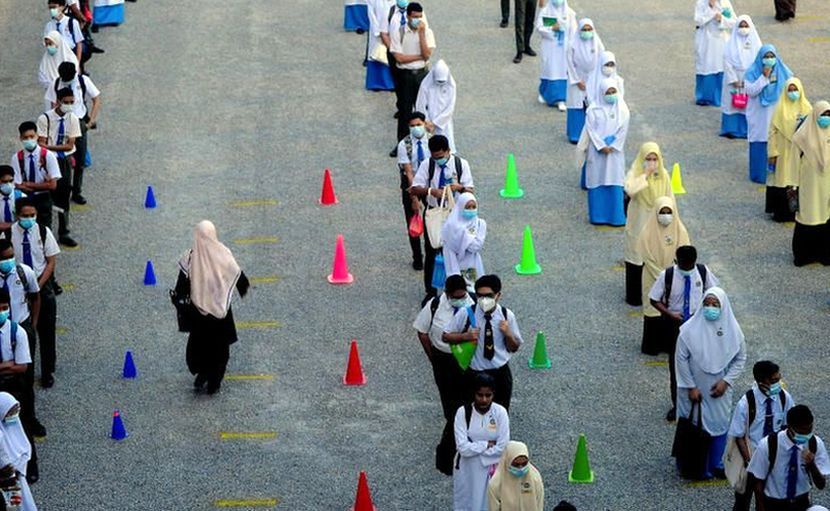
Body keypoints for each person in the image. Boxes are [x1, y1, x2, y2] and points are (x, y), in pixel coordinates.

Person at [675, 287, 748, 480]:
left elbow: (740, 359)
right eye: (707, 304)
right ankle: (690, 465)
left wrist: (726, 381)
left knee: (718, 426)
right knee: (692, 427)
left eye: (715, 305)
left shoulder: (733, 331)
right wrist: (690, 386)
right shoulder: (689, 330)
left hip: (719, 391)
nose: (710, 308)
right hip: (693, 389)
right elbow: (681, 359)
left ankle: (714, 463)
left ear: (723, 307)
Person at [176, 221, 250, 395]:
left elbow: (181, 286)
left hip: (198, 313)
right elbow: (238, 276)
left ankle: (202, 374)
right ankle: (214, 382)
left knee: (199, 346)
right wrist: (242, 289)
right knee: (220, 348)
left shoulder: (190, 257)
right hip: (220, 314)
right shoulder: (222, 254)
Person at [413, 274, 474, 476]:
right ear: (447, 294)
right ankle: (448, 453)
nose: (460, 298)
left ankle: (460, 446)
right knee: (451, 409)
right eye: (456, 296)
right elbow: (422, 331)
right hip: (444, 362)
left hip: (467, 361)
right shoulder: (435, 305)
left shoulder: (472, 302)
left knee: (468, 403)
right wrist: (433, 357)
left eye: (462, 295)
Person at [649, 245, 718, 421]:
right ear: (676, 261)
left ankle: (699, 398)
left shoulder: (702, 272)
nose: (688, 269)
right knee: (676, 366)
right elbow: (654, 299)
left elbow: (714, 292)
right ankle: (677, 404)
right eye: (684, 265)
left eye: (690, 265)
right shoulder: (668, 275)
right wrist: (670, 313)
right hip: (675, 326)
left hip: (698, 324)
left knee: (699, 363)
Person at [444, 275, 523, 410]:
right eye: (480, 296)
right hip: (474, 373)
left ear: (498, 295)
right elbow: (446, 336)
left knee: (501, 411)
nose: (484, 300)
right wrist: (465, 337)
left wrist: (508, 334)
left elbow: (514, 347)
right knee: (471, 412)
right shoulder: (467, 313)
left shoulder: (506, 315)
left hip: (499, 372)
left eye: (489, 296)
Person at [410, 135, 474, 299]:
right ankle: (430, 293)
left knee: (461, 253)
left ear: (448, 151)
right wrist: (431, 191)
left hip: (456, 215)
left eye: (441, 156)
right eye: (435, 156)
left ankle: (462, 291)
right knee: (432, 254)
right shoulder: (428, 164)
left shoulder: (461, 164)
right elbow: (414, 188)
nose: (438, 160)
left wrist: (459, 187)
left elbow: (470, 191)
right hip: (435, 214)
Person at [728, 361, 795, 511]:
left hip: (775, 457)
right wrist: (749, 462)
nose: (778, 383)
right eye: (773, 381)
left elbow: (788, 426)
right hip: (752, 456)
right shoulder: (746, 403)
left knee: (769, 500)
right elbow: (738, 435)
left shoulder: (784, 398)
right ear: (761, 382)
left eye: (779, 378)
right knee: (743, 499)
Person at [10, 199, 59, 393]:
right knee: (23, 332)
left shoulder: (43, 232)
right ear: (17, 215)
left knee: (47, 331)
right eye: (25, 216)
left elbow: (51, 261)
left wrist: (37, 285)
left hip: (41, 284)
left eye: (32, 215)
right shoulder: (8, 234)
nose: (29, 219)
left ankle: (48, 371)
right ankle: (22, 372)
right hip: (18, 288)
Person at [748, 405, 830, 511]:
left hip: (801, 502)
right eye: (801, 431)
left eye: (809, 429)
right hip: (774, 504)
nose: (806, 435)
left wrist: (811, 464)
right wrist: (760, 506)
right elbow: (757, 479)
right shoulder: (769, 444)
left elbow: (821, 485)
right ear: (790, 427)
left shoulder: (814, 443)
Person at [623, 142, 674, 306]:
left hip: (656, 220)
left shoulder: (664, 174)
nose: (652, 163)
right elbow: (630, 190)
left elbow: (670, 197)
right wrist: (645, 174)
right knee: (636, 256)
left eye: (655, 159)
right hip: (639, 219)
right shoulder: (635, 172)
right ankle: (634, 296)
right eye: (648, 159)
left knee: (657, 256)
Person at [45, 61, 102, 206]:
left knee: (80, 160)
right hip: (61, 124)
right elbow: (52, 104)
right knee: (61, 159)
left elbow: (96, 98)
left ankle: (77, 191)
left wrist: (90, 122)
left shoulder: (82, 81)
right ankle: (61, 189)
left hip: (79, 121)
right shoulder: (56, 83)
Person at [637, 197, 690, 352]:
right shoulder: (647, 232)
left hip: (675, 277)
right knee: (653, 309)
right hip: (652, 276)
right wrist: (662, 275)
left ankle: (669, 346)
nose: (666, 215)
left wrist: (673, 274)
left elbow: (685, 252)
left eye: (669, 212)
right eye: (662, 212)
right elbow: (646, 256)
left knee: (671, 310)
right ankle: (652, 346)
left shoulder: (680, 230)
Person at [453, 373, 509, 511]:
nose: (484, 399)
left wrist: (476, 450)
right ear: (473, 393)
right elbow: (462, 448)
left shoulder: (500, 413)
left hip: (492, 469)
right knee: (467, 502)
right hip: (468, 469)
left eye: (488, 395)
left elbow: (503, 446)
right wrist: (486, 444)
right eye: (480, 395)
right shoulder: (463, 413)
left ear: (493, 394)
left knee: (491, 503)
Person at [581, 78, 629, 226]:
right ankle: (598, 216)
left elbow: (623, 130)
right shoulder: (593, 110)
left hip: (615, 153)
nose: (611, 94)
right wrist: (601, 146)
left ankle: (616, 216)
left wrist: (614, 145)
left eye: (613, 91)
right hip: (597, 153)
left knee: (614, 179)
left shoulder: (623, 110)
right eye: (608, 92)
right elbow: (591, 130)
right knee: (597, 178)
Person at [36, 87, 80, 247]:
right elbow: (41, 143)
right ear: (58, 101)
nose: (68, 105)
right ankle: (45, 232)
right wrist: (49, 148)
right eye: (66, 102)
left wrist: (50, 146)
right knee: (47, 194)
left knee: (64, 193)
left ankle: (64, 231)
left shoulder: (72, 119)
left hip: (64, 160)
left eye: (71, 102)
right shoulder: (45, 119)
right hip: (48, 159)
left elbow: (70, 146)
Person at [744, 44, 793, 184]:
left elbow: (791, 87)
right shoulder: (752, 73)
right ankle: (759, 175)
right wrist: (764, 78)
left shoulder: (782, 71)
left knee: (776, 142)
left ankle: (776, 172)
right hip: (759, 116)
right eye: (766, 56)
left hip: (775, 114)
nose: (769, 59)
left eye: (772, 56)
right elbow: (751, 91)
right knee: (759, 142)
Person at [789, 101, 830, 267]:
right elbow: (793, 162)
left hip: (826, 186)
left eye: (829, 115)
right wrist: (792, 185)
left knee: (825, 219)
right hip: (809, 185)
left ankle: (824, 254)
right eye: (823, 115)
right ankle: (803, 255)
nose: (826, 119)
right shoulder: (803, 135)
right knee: (808, 217)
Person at [389, 2, 435, 146]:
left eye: (420, 17)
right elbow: (399, 58)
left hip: (422, 75)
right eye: (415, 17)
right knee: (404, 111)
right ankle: (402, 143)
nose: (418, 20)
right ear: (408, 16)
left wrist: (421, 34)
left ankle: (426, 142)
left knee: (423, 109)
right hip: (405, 75)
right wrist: (419, 56)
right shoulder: (399, 32)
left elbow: (427, 54)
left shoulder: (427, 32)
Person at [766, 77, 811, 222]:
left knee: (797, 182)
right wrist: (772, 152)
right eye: (790, 90)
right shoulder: (779, 109)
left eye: (795, 90)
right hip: (783, 152)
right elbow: (772, 132)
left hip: (799, 153)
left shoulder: (807, 109)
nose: (793, 93)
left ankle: (796, 212)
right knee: (782, 181)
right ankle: (781, 213)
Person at [10, 122, 60, 231]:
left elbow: (52, 185)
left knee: (45, 229)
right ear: (21, 138)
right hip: (25, 198)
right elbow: (18, 185)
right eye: (25, 137)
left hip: (43, 198)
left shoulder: (48, 156)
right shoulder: (17, 158)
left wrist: (28, 184)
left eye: (32, 136)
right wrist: (44, 184)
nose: (29, 140)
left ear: (37, 136)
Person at [397, 112, 430, 270]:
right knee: (413, 219)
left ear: (424, 123)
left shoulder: (431, 141)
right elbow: (409, 172)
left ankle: (432, 250)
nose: (416, 128)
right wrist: (414, 198)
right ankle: (417, 257)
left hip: (429, 182)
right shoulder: (405, 145)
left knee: (432, 217)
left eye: (419, 124)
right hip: (412, 182)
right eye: (412, 126)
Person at [720, 15, 762, 139]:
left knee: (748, 104)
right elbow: (726, 61)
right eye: (741, 26)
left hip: (748, 79)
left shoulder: (756, 44)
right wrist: (734, 80)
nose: (743, 29)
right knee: (731, 103)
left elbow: (758, 63)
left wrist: (748, 79)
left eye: (746, 26)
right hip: (734, 79)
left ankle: (747, 129)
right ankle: (731, 129)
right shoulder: (730, 44)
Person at [565, 19, 604, 144]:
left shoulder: (597, 43)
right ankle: (575, 134)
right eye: (584, 30)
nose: (587, 32)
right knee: (577, 106)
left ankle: (592, 134)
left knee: (592, 106)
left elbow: (602, 60)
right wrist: (577, 80)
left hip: (592, 79)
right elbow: (569, 64)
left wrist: (596, 79)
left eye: (589, 30)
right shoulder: (572, 44)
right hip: (577, 80)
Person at [441, 193, 486, 292]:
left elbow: (476, 246)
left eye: (474, 207)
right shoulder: (450, 225)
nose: (471, 210)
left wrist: (462, 235)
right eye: (468, 207)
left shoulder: (480, 224)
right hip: (454, 265)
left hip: (474, 266)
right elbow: (448, 250)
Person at [535, 0, 575, 110]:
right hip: (550, 48)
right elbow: (539, 27)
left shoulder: (569, 13)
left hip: (564, 49)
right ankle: (544, 93)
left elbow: (574, 31)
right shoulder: (546, 12)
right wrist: (552, 29)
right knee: (549, 70)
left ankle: (560, 99)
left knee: (561, 72)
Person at [694, 0, 735, 107]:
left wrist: (722, 19)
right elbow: (698, 20)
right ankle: (705, 97)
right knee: (707, 65)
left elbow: (734, 22)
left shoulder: (725, 3)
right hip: (707, 41)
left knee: (721, 66)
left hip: (722, 40)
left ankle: (721, 97)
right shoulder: (701, 3)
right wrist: (710, 9)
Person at [0, 393, 38, 509]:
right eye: (10, 412)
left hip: (14, 477)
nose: (14, 416)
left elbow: (24, 446)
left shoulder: (11, 425)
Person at [487, 441, 544, 511]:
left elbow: (539, 505)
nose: (521, 468)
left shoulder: (535, 478)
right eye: (516, 464)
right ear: (507, 461)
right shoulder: (495, 484)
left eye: (524, 464)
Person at [416, 59, 457, 152]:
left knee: (446, 148)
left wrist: (436, 123)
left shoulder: (451, 86)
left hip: (444, 123)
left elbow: (450, 108)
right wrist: (426, 121)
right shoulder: (426, 85)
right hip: (427, 123)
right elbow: (420, 104)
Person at [366, 0, 395, 91]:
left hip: (392, 32)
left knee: (392, 56)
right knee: (377, 55)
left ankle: (391, 84)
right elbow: (371, 14)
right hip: (377, 33)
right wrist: (378, 31)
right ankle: (376, 84)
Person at [45, 0, 85, 65]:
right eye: (50, 8)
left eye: (54, 7)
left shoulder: (72, 23)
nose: (52, 10)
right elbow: (47, 44)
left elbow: (79, 43)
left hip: (71, 55)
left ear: (62, 7)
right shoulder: (49, 26)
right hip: (56, 58)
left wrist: (77, 62)